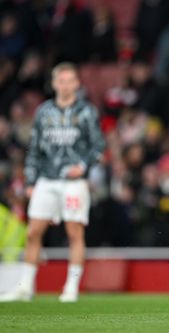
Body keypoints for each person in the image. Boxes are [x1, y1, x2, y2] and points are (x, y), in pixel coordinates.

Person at [0, 62, 105, 302]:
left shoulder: (86, 111)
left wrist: (84, 166)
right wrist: (30, 180)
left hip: (73, 182)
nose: (66, 85)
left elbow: (98, 146)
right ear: (54, 83)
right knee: (33, 232)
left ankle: (71, 287)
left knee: (74, 233)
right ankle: (25, 286)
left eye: (70, 80)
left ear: (77, 84)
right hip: (46, 179)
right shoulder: (44, 112)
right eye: (62, 80)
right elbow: (34, 149)